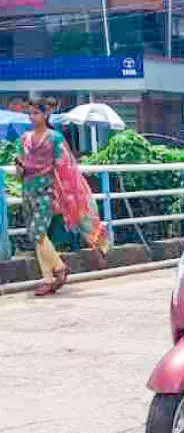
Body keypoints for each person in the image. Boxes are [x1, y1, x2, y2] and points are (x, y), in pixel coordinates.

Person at [13, 98, 109, 296]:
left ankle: (59, 267)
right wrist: (20, 167)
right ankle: (48, 280)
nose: (32, 117)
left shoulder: (55, 138)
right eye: (30, 114)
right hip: (28, 190)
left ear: (46, 114)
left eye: (36, 113)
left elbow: (64, 166)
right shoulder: (24, 139)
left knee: (38, 232)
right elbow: (19, 169)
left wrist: (64, 193)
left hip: (47, 190)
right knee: (37, 236)